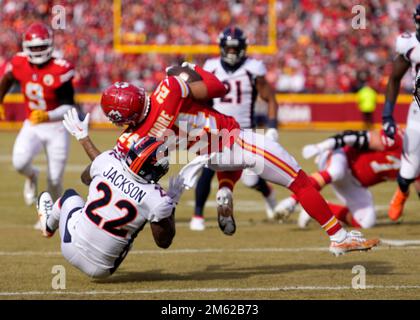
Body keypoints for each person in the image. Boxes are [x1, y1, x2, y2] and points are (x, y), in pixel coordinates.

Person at [84, 64, 379, 256]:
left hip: (205, 156)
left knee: (236, 165)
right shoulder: (169, 89)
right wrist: (188, 71)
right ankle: (338, 236)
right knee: (299, 181)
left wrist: (83, 138)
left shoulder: (130, 139)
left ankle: (225, 188)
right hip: (232, 140)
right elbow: (219, 88)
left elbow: (96, 173)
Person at [36, 135, 184, 279]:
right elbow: (163, 242)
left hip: (70, 247)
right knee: (128, 235)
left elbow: (85, 179)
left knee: (69, 196)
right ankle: (51, 227)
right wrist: (172, 202)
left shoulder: (107, 160)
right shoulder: (157, 199)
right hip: (103, 269)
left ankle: (49, 227)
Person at [190, 26, 280, 231]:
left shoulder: (253, 68)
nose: (231, 52)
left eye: (235, 48)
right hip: (216, 127)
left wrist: (272, 127)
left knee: (252, 179)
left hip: (245, 129)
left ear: (243, 48)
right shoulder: (211, 67)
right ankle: (198, 215)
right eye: (228, 48)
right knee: (206, 168)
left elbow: (270, 99)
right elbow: (202, 98)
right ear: (222, 48)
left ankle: (268, 194)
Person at [0, 22, 75, 206]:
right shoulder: (19, 62)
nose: (39, 50)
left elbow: (69, 106)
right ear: (26, 48)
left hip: (56, 127)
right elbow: (8, 78)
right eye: (34, 47)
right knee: (19, 162)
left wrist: (47, 116)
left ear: (49, 45)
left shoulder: (61, 68)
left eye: (42, 46)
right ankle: (32, 175)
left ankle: (53, 217)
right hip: (32, 124)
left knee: (55, 179)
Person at [275, 128, 405, 229]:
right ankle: (292, 201)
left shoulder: (416, 165)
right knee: (336, 171)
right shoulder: (396, 139)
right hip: (340, 155)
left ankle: (318, 208)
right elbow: (349, 137)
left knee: (366, 222)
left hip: (355, 183)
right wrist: (321, 147)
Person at [381, 5, 420, 221]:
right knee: (407, 173)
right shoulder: (410, 43)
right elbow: (395, 78)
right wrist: (387, 115)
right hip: (418, 112)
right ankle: (402, 191)